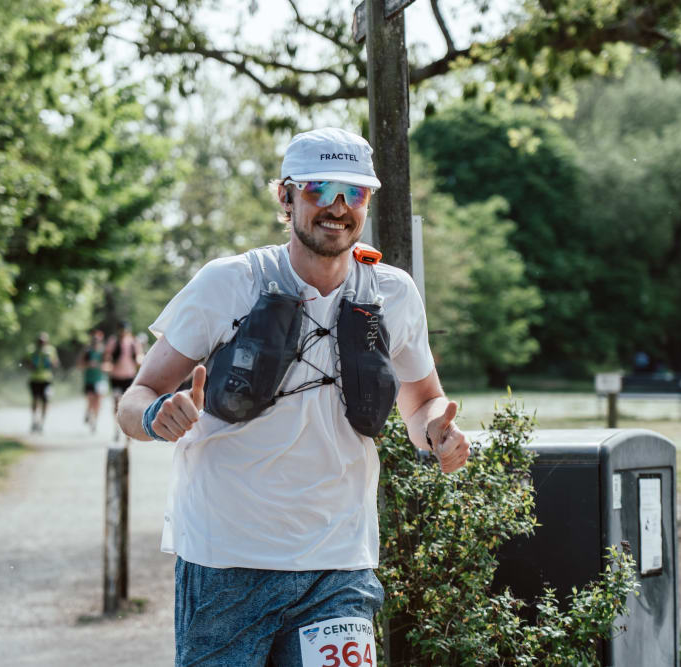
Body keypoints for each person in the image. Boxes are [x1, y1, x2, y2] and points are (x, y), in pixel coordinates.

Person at [117, 127, 472, 666]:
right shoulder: (229, 283)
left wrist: (439, 434)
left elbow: (423, 401)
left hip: (339, 564)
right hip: (225, 562)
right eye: (319, 188)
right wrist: (154, 416)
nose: (338, 206)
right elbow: (136, 397)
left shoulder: (392, 293)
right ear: (286, 196)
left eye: (354, 192)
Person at [104, 321, 144, 441]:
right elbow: (107, 356)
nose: (123, 332)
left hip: (129, 377)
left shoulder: (134, 342)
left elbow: (139, 356)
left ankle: (128, 433)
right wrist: (107, 364)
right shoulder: (113, 341)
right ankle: (117, 428)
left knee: (127, 405)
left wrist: (140, 361)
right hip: (116, 377)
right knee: (116, 403)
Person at [27, 332, 59, 433]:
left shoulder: (51, 350)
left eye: (43, 341)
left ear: (47, 342)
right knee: (35, 400)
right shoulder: (31, 350)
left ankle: (42, 422)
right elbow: (26, 363)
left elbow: (56, 363)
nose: (41, 343)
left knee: (45, 401)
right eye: (40, 341)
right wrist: (32, 364)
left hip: (47, 380)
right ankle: (34, 420)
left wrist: (51, 362)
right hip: (34, 379)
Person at [77, 328, 106, 433]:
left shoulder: (103, 352)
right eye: (94, 339)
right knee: (90, 400)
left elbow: (109, 365)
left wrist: (100, 366)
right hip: (89, 380)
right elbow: (79, 365)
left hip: (100, 380)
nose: (95, 341)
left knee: (98, 402)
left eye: (97, 340)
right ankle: (88, 413)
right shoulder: (87, 351)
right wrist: (88, 364)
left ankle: (95, 421)